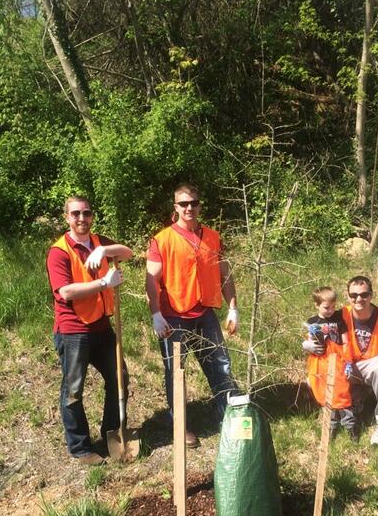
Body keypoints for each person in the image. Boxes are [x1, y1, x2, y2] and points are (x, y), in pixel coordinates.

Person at [145, 183, 239, 448]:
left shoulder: (213, 237)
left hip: (205, 314)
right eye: (183, 204)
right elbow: (151, 280)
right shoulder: (162, 240)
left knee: (221, 366)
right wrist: (156, 313)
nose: (189, 208)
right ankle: (180, 427)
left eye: (193, 203)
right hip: (173, 318)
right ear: (175, 207)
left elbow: (225, 274)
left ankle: (231, 418)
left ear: (200, 205)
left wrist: (233, 307)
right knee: (176, 373)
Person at [47, 196, 133, 464]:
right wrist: (103, 285)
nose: (81, 218)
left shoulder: (99, 241)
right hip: (73, 331)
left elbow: (128, 252)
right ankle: (80, 447)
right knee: (74, 391)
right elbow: (66, 291)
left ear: (92, 215)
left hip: (101, 326)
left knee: (119, 379)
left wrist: (104, 252)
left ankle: (111, 435)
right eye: (75, 214)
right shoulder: (59, 252)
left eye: (86, 213)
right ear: (67, 218)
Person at [342, 276, 378, 445]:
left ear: (371, 295)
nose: (359, 299)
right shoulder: (341, 315)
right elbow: (319, 327)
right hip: (347, 367)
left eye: (364, 294)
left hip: (372, 367)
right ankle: (342, 416)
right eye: (354, 295)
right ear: (348, 296)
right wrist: (309, 343)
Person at [302, 286, 358, 440]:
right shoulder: (312, 322)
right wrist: (308, 344)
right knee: (325, 392)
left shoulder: (339, 321)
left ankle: (350, 425)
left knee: (341, 393)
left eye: (333, 307)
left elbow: (345, 343)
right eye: (327, 307)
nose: (331, 310)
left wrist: (348, 363)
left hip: (337, 361)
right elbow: (309, 340)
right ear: (317, 305)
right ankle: (331, 426)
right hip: (319, 362)